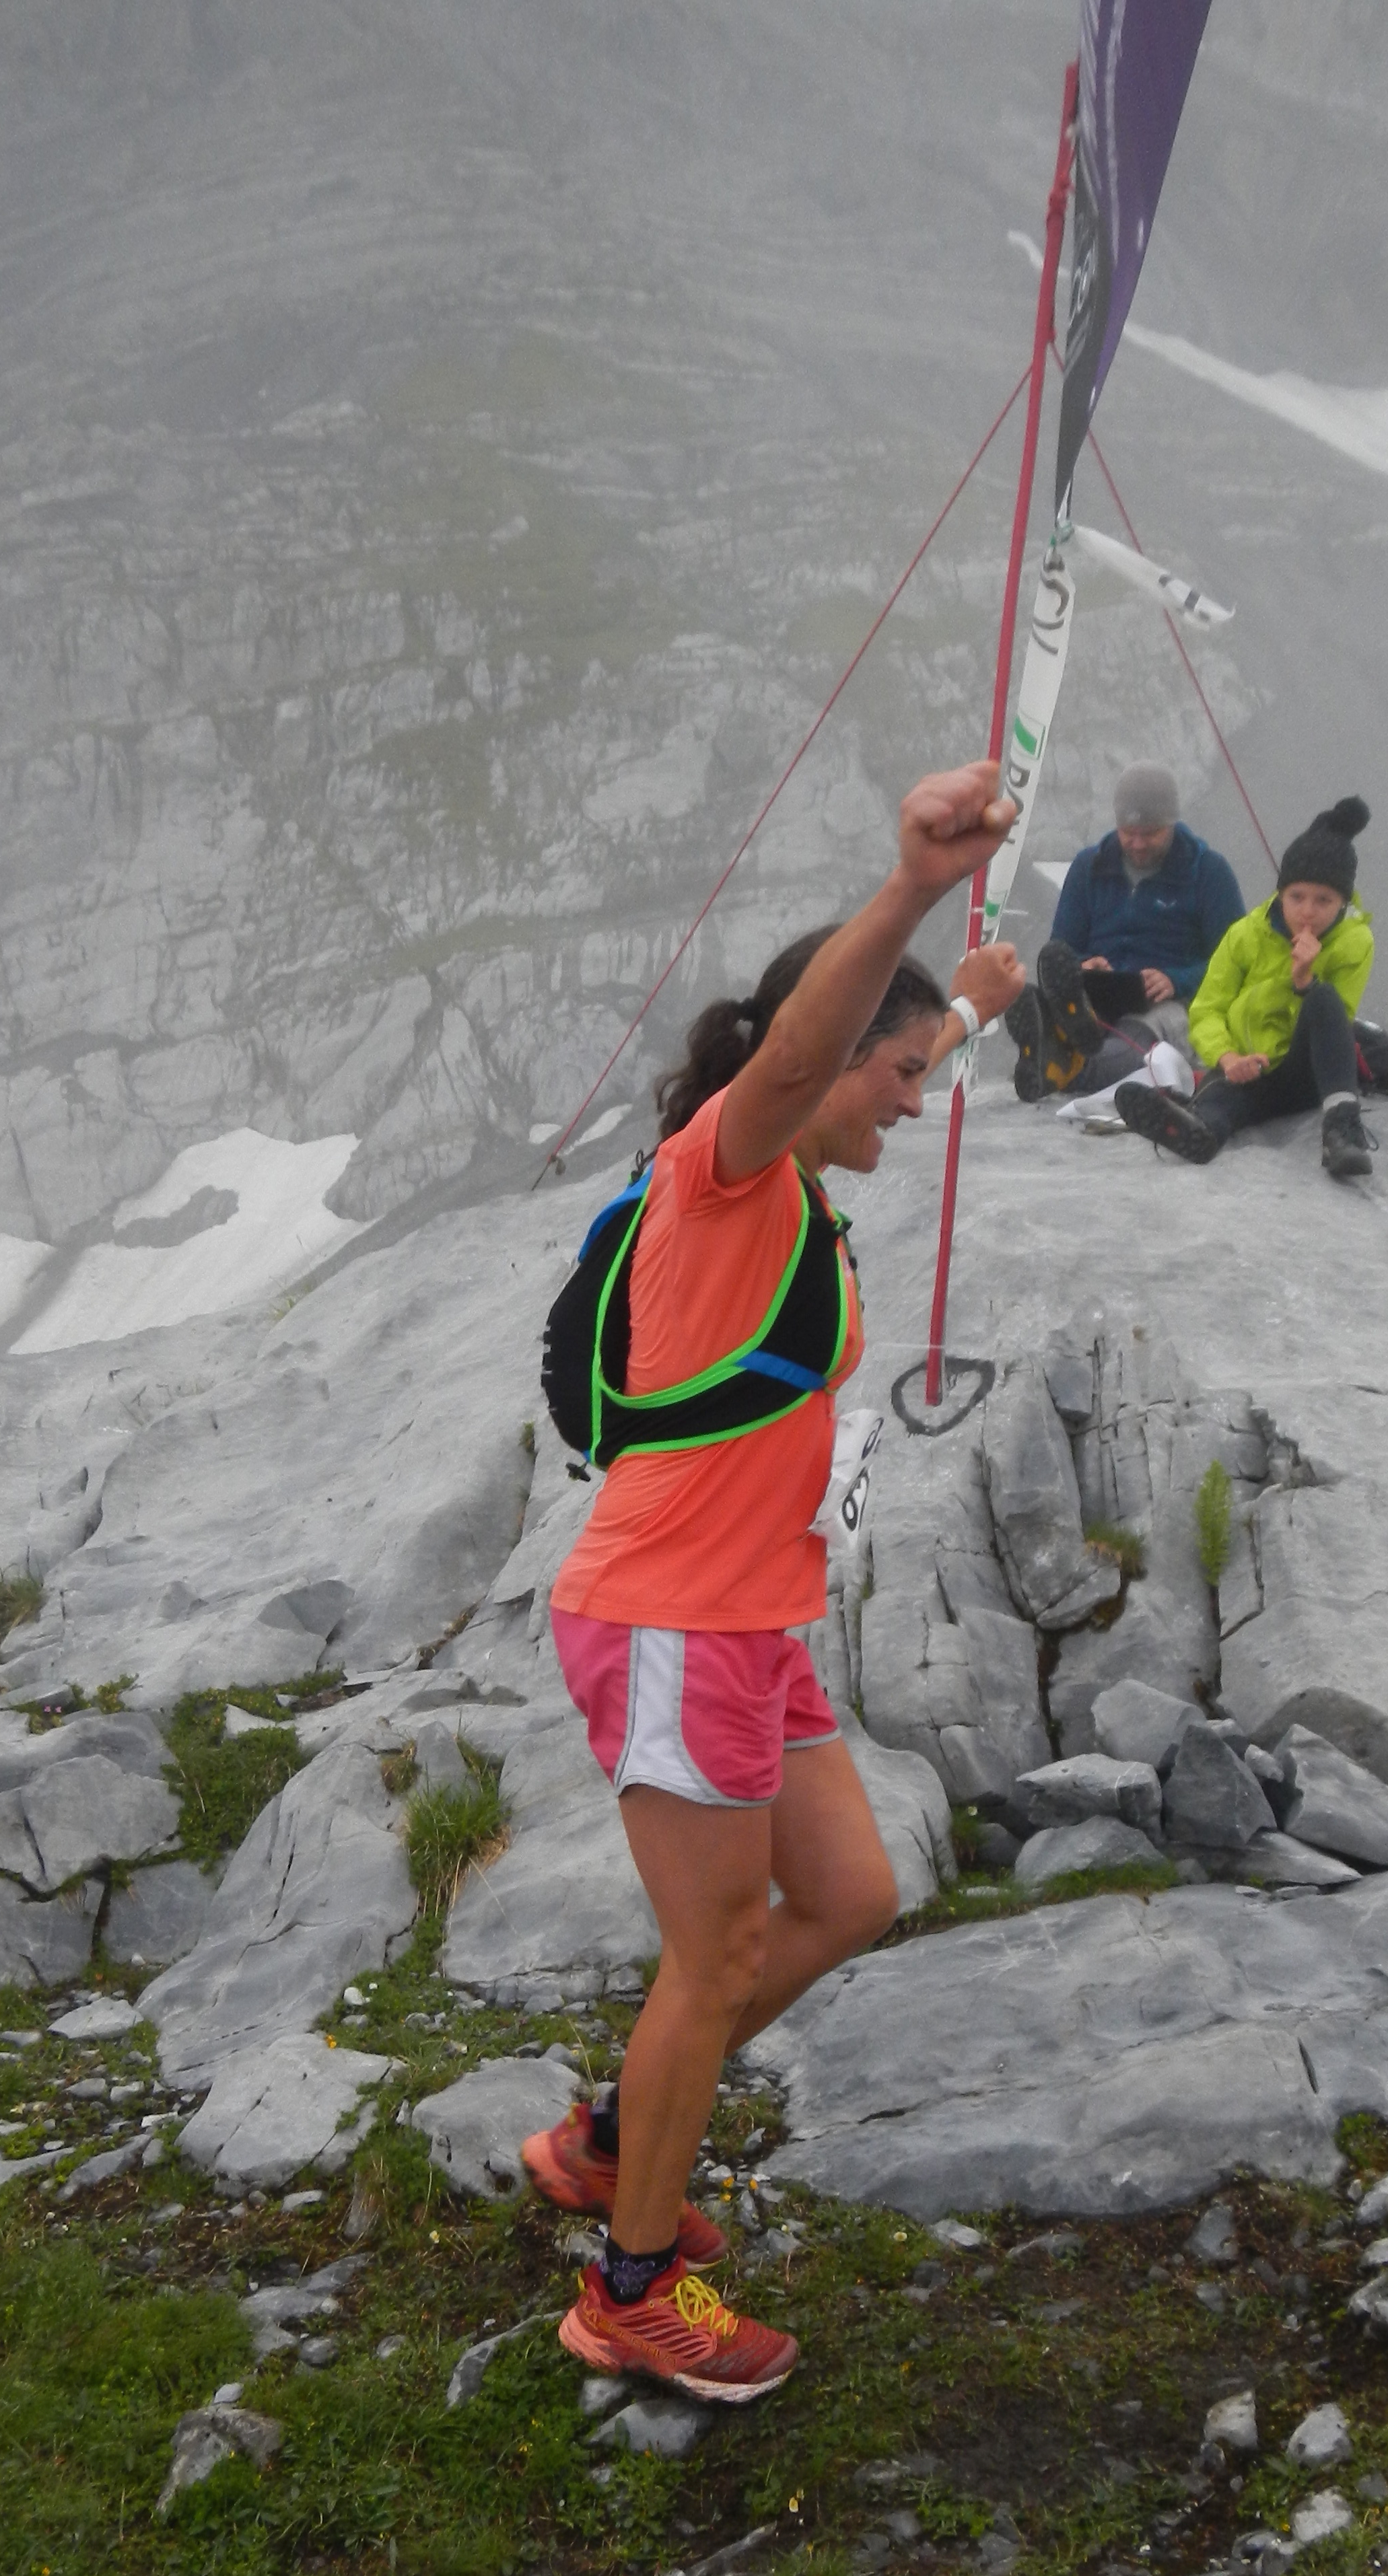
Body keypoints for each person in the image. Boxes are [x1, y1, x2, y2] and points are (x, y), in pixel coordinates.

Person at [522, 763, 1021, 2401]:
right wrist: (913, 886)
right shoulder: (723, 1170)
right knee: (720, 1953)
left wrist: (972, 1000)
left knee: (852, 1896)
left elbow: (860, 1055)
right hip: (670, 1615)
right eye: (902, 1075)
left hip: (747, 1617)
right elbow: (807, 1054)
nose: (912, 1105)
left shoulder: (802, 1188)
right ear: (817, 1062)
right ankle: (631, 2289)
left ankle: (614, 2143)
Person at [1115, 794, 1375, 1179]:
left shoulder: (1354, 943)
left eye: (1324, 900)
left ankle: (1341, 1130)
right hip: (1247, 1071)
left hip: (1306, 1074)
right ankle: (1199, 1132)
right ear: (1281, 894)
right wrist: (1227, 1058)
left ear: (1342, 902)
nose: (1307, 911)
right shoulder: (1246, 934)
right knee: (1222, 1101)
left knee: (1323, 998)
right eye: (1297, 897)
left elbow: (1337, 1021)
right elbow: (1207, 1008)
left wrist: (1304, 982)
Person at [1010, 760, 1246, 1100]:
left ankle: (1063, 1064)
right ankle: (1062, 1043)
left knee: (1132, 1041)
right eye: (1128, 832)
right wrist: (1084, 967)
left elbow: (1236, 962)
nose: (1137, 843)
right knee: (1065, 991)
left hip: (1174, 1004)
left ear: (1172, 822)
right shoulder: (1088, 868)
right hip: (1101, 997)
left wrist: (1176, 979)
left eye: (1150, 833)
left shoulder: (1209, 872)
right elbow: (1061, 949)